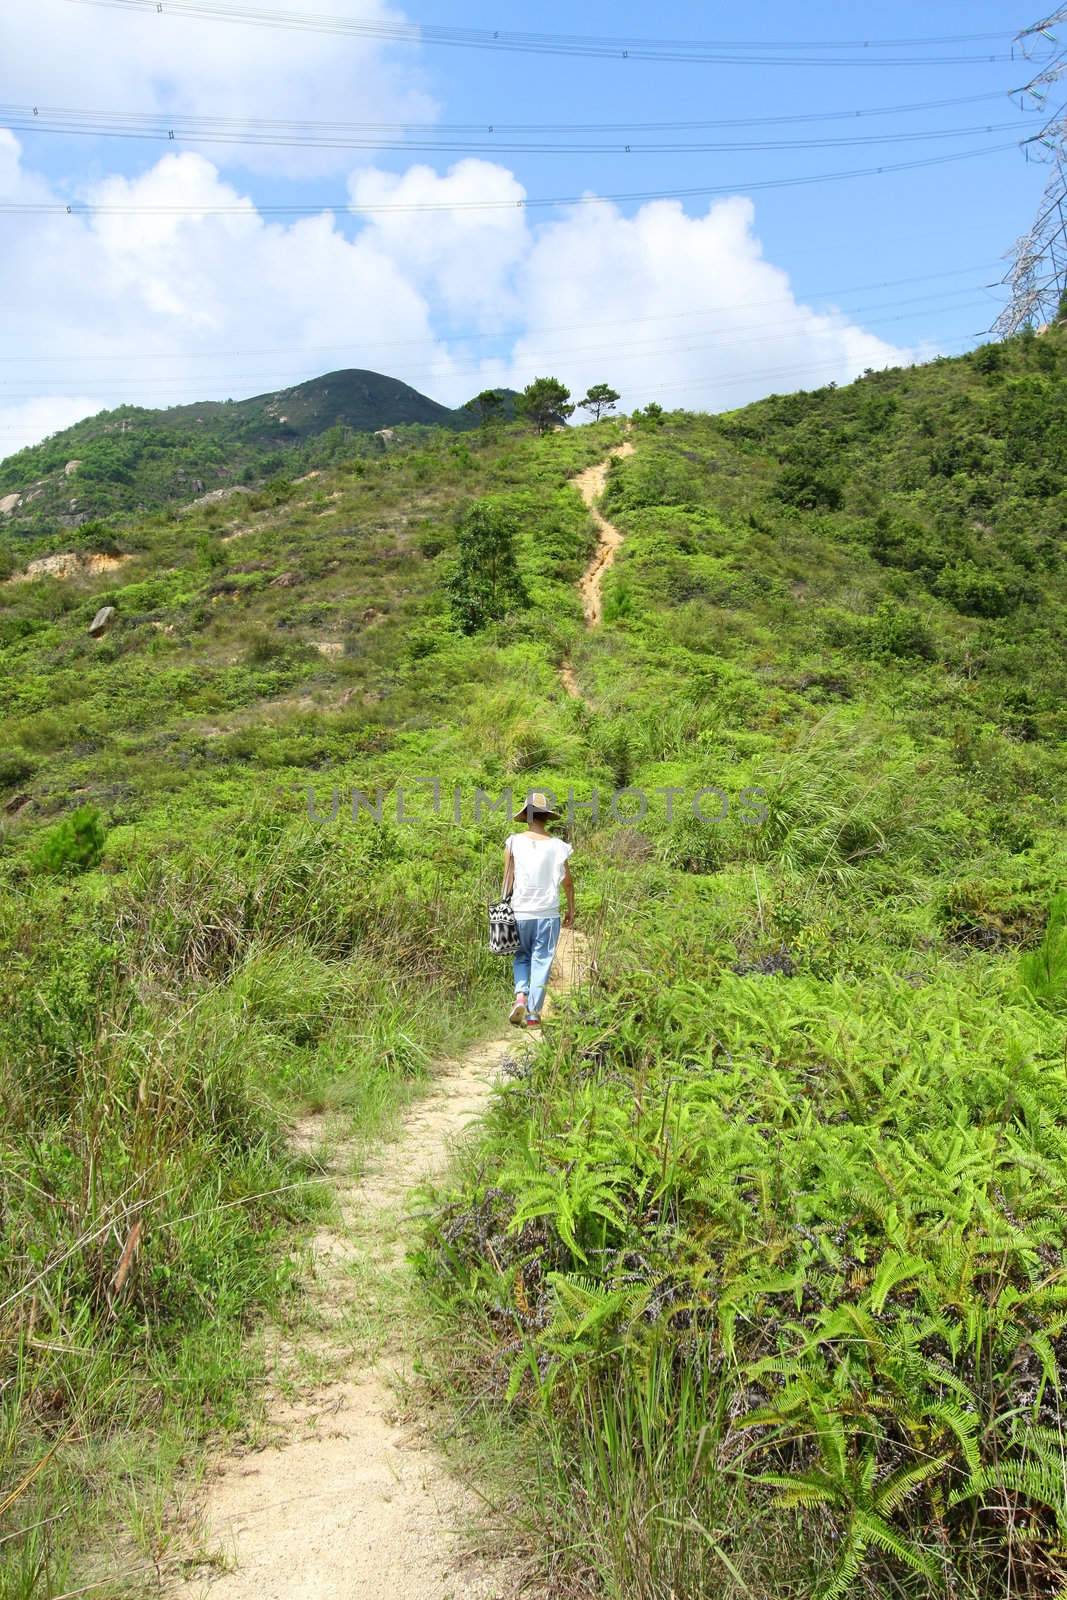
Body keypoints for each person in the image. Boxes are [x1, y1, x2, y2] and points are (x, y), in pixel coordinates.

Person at [502, 791, 574, 1031]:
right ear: (546, 817)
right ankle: (533, 1014)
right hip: (547, 913)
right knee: (541, 959)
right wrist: (572, 908)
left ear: (526, 816)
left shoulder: (513, 842)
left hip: (520, 911)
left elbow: (507, 878)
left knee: (521, 956)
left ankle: (520, 996)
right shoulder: (558, 846)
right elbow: (567, 882)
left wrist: (505, 907)